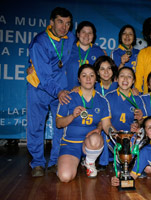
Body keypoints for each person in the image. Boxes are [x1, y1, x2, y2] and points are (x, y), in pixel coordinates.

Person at [26, 7, 76, 177]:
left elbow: (77, 57)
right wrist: (59, 91)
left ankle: (55, 161)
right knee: (36, 126)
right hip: (39, 86)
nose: (64, 27)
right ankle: (37, 163)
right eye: (60, 22)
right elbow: (45, 76)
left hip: (61, 87)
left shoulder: (70, 38)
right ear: (51, 22)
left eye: (68, 23)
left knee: (60, 125)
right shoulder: (40, 42)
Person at [56, 64, 114, 181]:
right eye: (84, 75)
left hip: (90, 143)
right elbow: (58, 124)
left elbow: (107, 125)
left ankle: (90, 161)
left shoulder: (102, 100)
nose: (88, 79)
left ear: (96, 79)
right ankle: (68, 162)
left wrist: (118, 135)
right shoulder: (68, 97)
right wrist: (72, 115)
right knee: (65, 177)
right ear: (79, 79)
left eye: (91, 75)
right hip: (70, 144)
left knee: (96, 138)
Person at [66, 21, 106, 90]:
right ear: (78, 34)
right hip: (70, 93)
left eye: (90, 33)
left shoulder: (99, 52)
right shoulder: (68, 49)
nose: (86, 36)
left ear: (93, 36)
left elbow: (103, 76)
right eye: (83, 32)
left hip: (91, 94)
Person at [105, 66, 147, 132]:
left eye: (129, 76)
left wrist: (140, 120)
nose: (125, 79)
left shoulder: (138, 99)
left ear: (133, 81)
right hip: (111, 138)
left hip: (131, 138)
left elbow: (143, 124)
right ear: (117, 79)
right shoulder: (108, 97)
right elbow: (103, 122)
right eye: (122, 76)